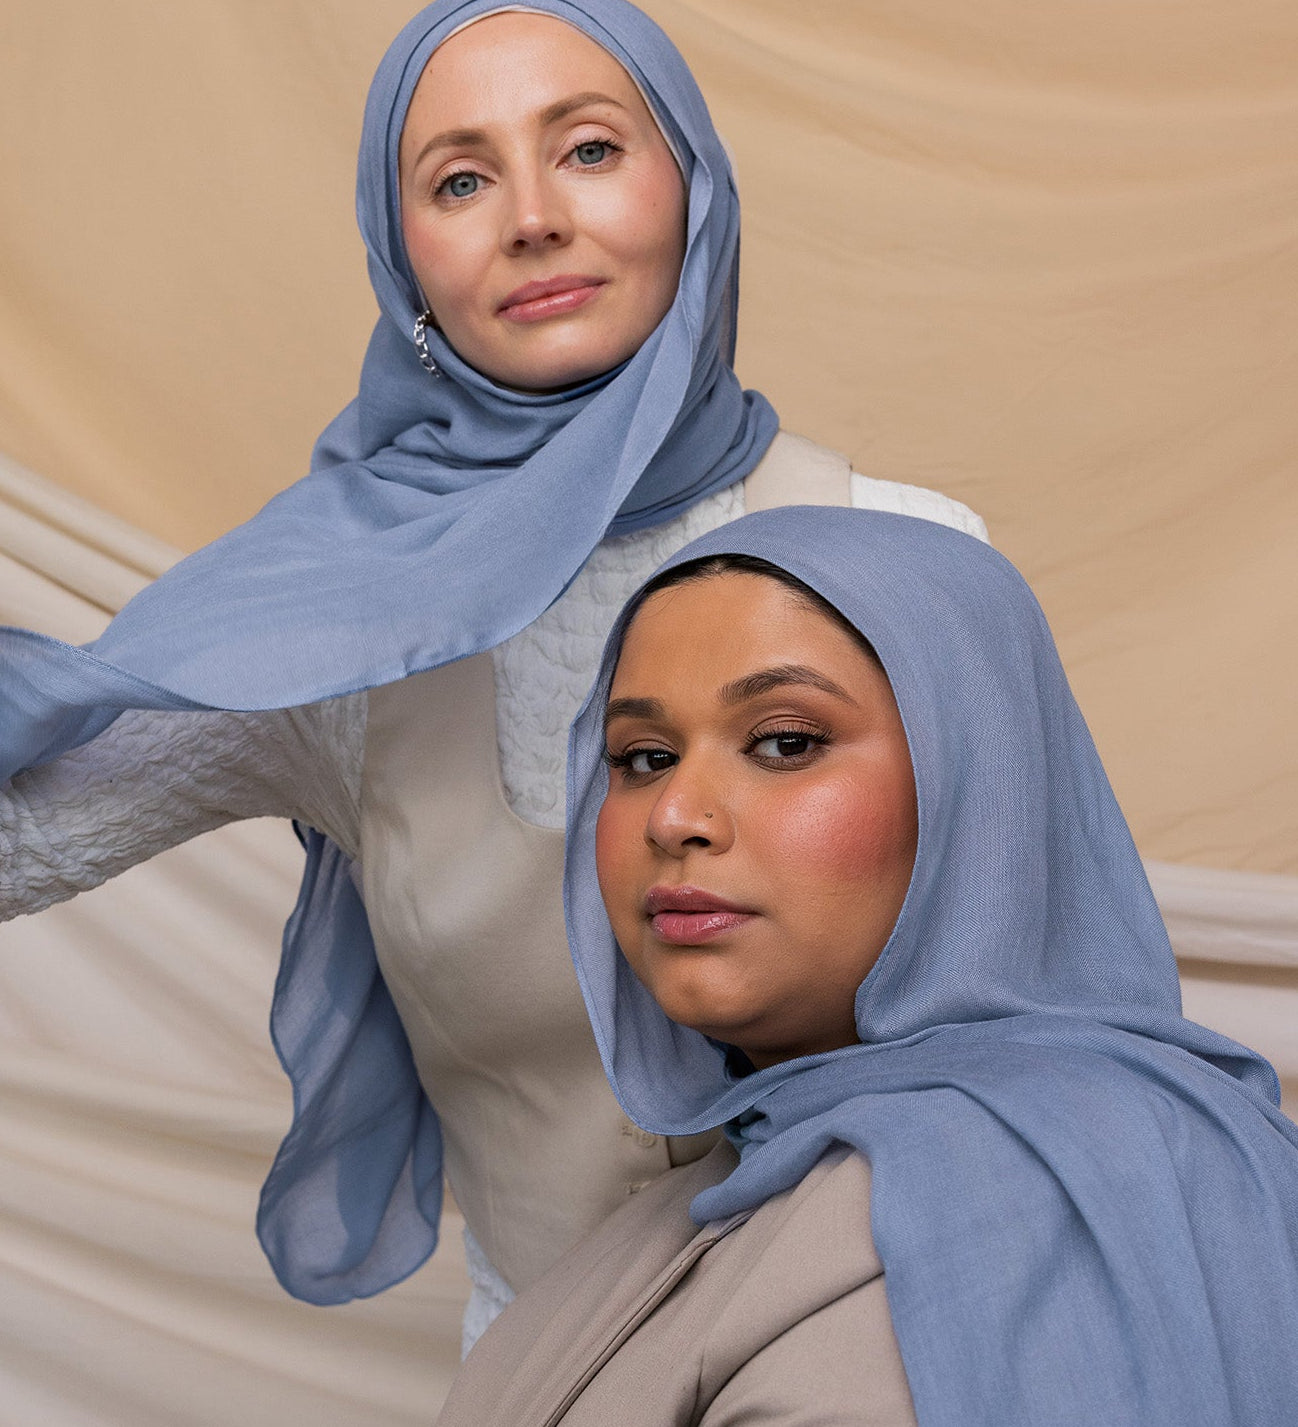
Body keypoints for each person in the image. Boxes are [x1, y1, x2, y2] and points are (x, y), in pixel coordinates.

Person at [0, 0, 985, 1341]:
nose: (531, 216)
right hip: (548, 1370)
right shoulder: (338, 638)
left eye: (586, 149)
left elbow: (1050, 993)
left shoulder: (913, 554)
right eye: (460, 180)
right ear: (401, 257)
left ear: (691, 186)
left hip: (912, 1337)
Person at [438, 505, 1298, 1424]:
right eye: (642, 757)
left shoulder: (1010, 1193)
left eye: (785, 742)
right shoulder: (745, 1169)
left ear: (974, 784)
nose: (674, 814)